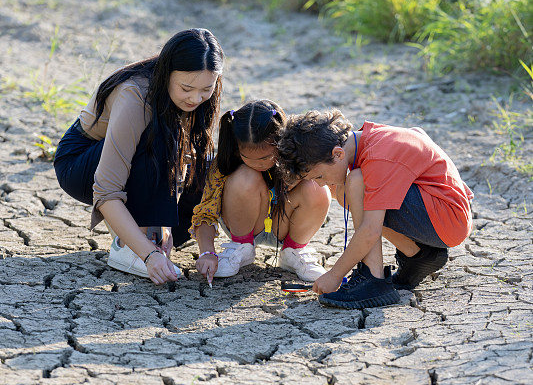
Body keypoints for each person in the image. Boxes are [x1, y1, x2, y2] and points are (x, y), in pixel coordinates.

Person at [54, 28, 224, 285]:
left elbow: (184, 154)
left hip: (142, 160)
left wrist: (164, 221)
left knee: (206, 166)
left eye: (206, 89)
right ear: (167, 72)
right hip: (81, 162)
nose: (196, 98)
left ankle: (147, 233)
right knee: (156, 136)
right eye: (186, 88)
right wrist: (148, 254)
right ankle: (128, 247)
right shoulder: (136, 95)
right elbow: (106, 189)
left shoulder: (200, 93)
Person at [277, 109, 473, 309]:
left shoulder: (377, 156)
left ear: (337, 153)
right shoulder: (366, 139)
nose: (320, 184)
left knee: (356, 182)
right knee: (349, 190)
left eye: (319, 176)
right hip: (443, 214)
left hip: (448, 219)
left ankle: (373, 279)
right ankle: (417, 254)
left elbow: (371, 230)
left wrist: (335, 275)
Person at [190, 99, 330, 283]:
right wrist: (207, 253)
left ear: (281, 142)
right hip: (244, 225)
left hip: (283, 224)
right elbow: (206, 212)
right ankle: (242, 247)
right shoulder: (225, 162)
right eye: (248, 158)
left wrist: (299, 176)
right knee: (246, 176)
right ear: (237, 148)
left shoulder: (298, 154)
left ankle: (293, 251)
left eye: (266, 157)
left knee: (316, 186)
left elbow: (333, 180)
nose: (259, 164)